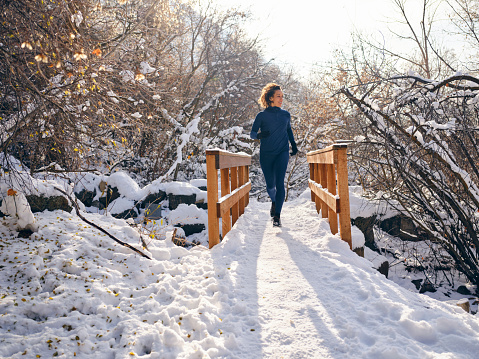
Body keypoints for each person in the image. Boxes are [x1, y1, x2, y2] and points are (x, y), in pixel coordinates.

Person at [250, 83, 298, 227]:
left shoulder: (286, 115)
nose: (281, 99)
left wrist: (294, 145)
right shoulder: (262, 115)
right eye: (278, 96)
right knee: (270, 186)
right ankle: (274, 201)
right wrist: (259, 135)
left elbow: (288, 131)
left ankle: (277, 216)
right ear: (270, 98)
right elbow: (252, 134)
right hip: (266, 154)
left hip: (282, 152)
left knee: (279, 183)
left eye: (282, 97)